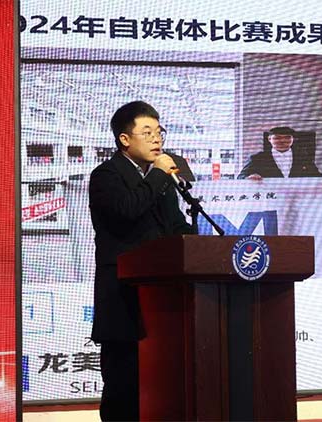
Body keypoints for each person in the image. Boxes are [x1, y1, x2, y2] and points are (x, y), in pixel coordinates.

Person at [89, 101, 196, 421]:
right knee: (124, 387)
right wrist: (159, 174)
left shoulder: (161, 181)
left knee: (163, 388)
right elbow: (127, 211)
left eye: (159, 132)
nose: (156, 139)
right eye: (146, 132)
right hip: (123, 298)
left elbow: (175, 226)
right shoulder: (106, 175)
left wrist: (199, 246)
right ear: (124, 139)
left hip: (163, 297)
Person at [238, 126, 322, 179]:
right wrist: (249, 177)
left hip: (297, 199)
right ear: (269, 139)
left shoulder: (303, 157)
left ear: (293, 139)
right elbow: (241, 177)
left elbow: (317, 176)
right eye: (277, 138)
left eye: (287, 137)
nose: (282, 141)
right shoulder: (257, 158)